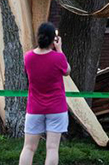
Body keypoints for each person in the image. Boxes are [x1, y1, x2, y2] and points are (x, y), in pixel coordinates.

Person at [19, 22, 71, 165]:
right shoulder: (58, 58)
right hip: (56, 108)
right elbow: (67, 71)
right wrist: (59, 49)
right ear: (53, 39)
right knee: (52, 148)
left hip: (34, 108)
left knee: (29, 148)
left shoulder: (28, 57)